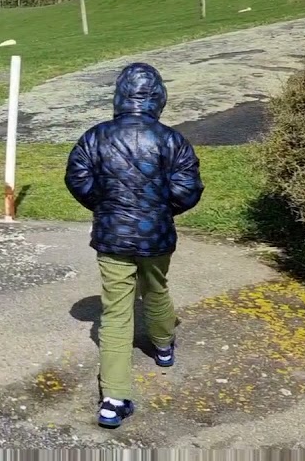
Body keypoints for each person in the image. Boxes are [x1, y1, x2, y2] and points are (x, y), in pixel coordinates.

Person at [63, 62, 204, 430]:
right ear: (158, 97)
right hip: (156, 233)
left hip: (112, 235)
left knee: (115, 312)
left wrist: (104, 204)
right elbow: (187, 190)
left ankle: (114, 398)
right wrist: (161, 208)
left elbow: (78, 177)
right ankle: (162, 345)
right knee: (156, 288)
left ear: (119, 95)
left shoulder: (95, 137)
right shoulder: (172, 140)